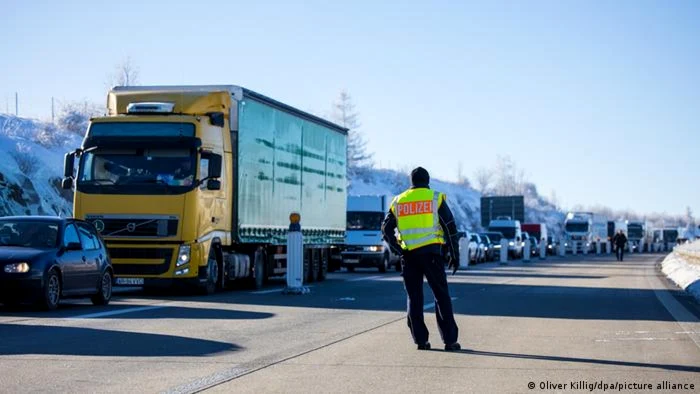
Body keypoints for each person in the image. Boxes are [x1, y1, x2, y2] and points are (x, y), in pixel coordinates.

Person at [381, 167, 461, 351]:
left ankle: (421, 341)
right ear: (428, 180)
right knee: (441, 296)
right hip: (432, 254)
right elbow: (449, 227)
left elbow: (385, 230)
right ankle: (450, 341)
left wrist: (398, 249)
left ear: (411, 181)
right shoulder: (434, 198)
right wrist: (454, 255)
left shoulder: (398, 201)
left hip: (409, 256)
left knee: (414, 298)